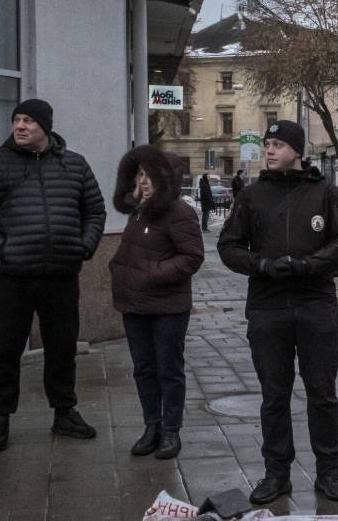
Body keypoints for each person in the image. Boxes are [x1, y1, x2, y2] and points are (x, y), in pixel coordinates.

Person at [218, 120, 338, 505]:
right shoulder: (251, 196)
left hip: (315, 304)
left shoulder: (325, 193)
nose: (269, 150)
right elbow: (228, 246)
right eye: (267, 143)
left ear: (297, 151)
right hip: (267, 307)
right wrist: (261, 266)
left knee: (322, 393)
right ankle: (276, 474)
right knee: (274, 396)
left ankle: (328, 472)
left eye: (278, 144)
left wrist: (309, 264)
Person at [0, 98, 106, 452]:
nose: (19, 126)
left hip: (60, 276)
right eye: (16, 120)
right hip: (12, 277)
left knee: (62, 348)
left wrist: (85, 246)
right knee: (4, 350)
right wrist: (1, 247)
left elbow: (95, 210)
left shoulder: (74, 165)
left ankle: (64, 413)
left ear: (45, 127)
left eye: (28, 120)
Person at [109, 145, 204, 459]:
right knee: (143, 369)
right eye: (139, 175)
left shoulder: (179, 212)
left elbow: (191, 257)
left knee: (169, 370)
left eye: (149, 175)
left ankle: (171, 431)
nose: (144, 181)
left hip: (168, 307)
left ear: (165, 179)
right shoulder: (139, 210)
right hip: (135, 305)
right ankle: (152, 426)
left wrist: (153, 273)